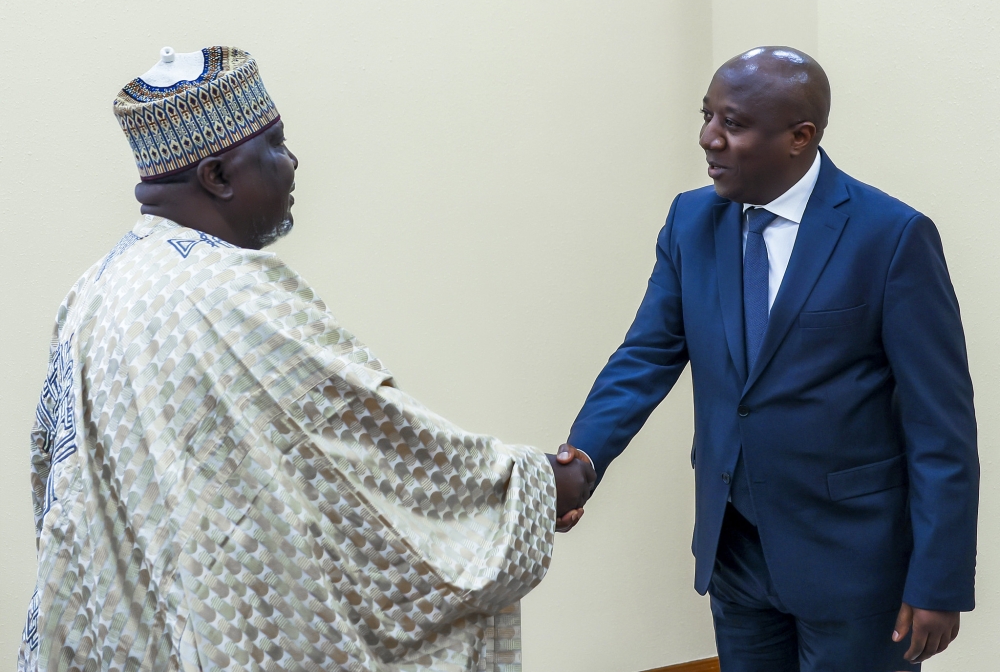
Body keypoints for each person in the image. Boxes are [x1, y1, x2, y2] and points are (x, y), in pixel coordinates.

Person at [20, 46, 594, 672]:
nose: (292, 162)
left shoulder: (93, 293)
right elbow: (368, 442)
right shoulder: (231, 293)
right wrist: (531, 488)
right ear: (217, 175)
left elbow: (53, 480)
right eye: (274, 144)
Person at [556, 47, 978, 671]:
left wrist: (940, 580)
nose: (709, 138)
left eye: (732, 123)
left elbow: (940, 424)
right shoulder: (690, 221)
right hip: (735, 553)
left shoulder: (890, 236)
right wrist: (581, 461)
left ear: (799, 137)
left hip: (856, 561)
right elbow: (645, 355)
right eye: (706, 116)